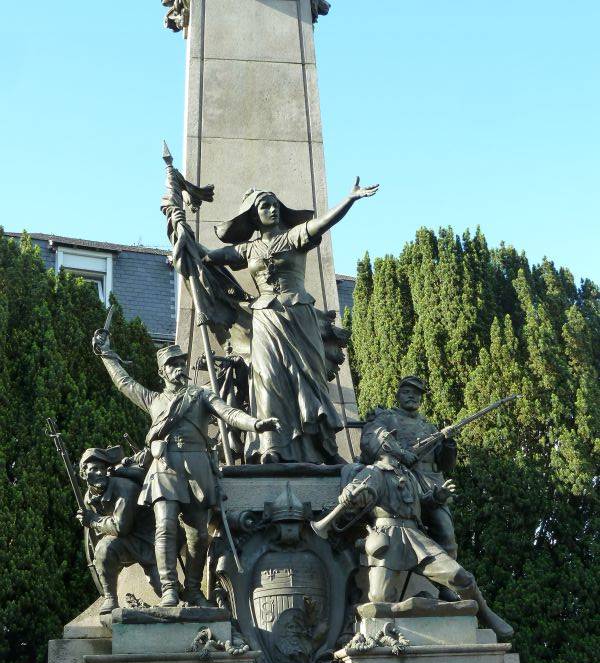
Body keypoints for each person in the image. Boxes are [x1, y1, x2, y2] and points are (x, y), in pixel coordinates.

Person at [200, 177, 378, 464]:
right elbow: (207, 258)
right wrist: (181, 234)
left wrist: (350, 199)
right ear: (254, 216)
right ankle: (271, 445)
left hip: (298, 315)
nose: (272, 210)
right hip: (266, 318)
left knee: (309, 378)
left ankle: (320, 447)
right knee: (268, 378)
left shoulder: (294, 236)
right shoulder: (248, 250)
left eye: (274, 205)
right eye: (265, 206)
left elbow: (323, 223)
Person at [92, 335, 279, 607]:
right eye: (171, 364)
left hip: (197, 467)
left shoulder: (201, 395)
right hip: (165, 467)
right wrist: (107, 354)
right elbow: (124, 383)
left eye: (181, 362)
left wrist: (255, 425)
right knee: (165, 527)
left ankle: (192, 589)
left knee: (199, 535)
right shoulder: (153, 399)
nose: (178, 367)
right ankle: (169, 588)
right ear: (161, 371)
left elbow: (228, 414)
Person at [339, 430, 514, 639]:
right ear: (384, 446)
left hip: (416, 536)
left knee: (461, 577)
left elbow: (420, 503)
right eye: (392, 438)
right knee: (379, 599)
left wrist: (437, 497)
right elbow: (357, 496)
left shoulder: (407, 473)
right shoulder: (374, 473)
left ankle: (485, 613)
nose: (398, 441)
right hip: (389, 539)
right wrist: (349, 494)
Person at [361, 376, 458, 596]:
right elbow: (372, 443)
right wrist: (401, 455)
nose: (412, 397)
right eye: (407, 392)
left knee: (446, 534)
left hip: (431, 484)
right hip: (400, 482)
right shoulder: (386, 418)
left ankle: (445, 587)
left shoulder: (429, 426)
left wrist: (449, 443)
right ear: (397, 394)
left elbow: (445, 464)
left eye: (417, 394)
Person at [78, 446, 160, 615]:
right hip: (124, 541)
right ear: (84, 474)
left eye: (102, 469)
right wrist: (100, 562)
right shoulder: (89, 497)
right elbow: (98, 535)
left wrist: (92, 520)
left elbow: (120, 527)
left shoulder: (125, 488)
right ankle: (110, 598)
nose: (100, 473)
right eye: (94, 469)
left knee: (162, 588)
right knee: (103, 549)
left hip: (149, 541)